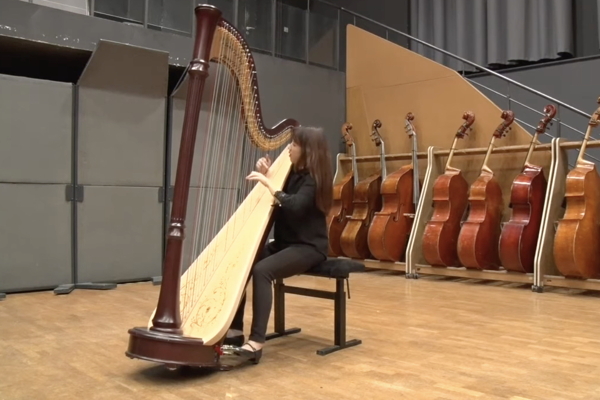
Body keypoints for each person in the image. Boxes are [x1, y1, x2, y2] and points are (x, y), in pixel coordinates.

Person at [224, 126, 333, 364]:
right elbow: (279, 194)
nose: (289, 150)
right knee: (243, 261)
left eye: (293, 145)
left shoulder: (314, 179)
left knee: (262, 270)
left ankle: (256, 342)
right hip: (286, 243)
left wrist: (267, 182)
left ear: (307, 151)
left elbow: (293, 204)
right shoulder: (291, 172)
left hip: (309, 248)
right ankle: (234, 329)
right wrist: (268, 173)